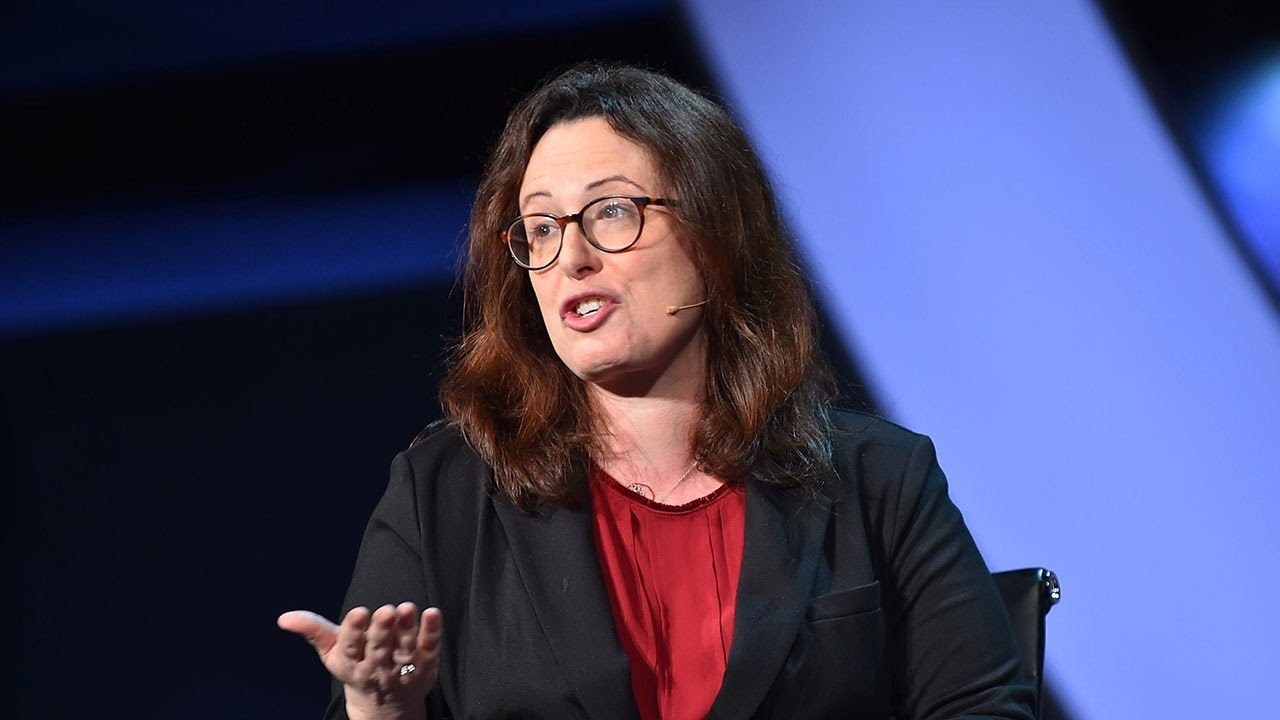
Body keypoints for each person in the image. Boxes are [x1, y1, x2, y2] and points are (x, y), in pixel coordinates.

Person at [279, 62, 1036, 720]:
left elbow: (978, 706)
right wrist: (382, 709)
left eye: (611, 212)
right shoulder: (442, 494)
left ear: (716, 232)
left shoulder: (875, 477)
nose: (570, 256)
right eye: (540, 228)